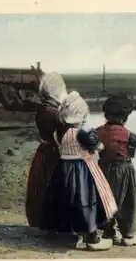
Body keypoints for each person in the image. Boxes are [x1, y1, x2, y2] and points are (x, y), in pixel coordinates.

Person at [39, 91, 118, 251]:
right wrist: (97, 145)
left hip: (63, 168)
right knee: (87, 200)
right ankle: (92, 238)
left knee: (67, 200)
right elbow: (99, 147)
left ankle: (71, 236)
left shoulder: (58, 133)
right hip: (81, 169)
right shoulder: (82, 133)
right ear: (78, 115)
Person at [96, 95, 136, 246]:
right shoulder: (126, 134)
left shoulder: (98, 131)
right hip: (123, 170)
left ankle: (108, 231)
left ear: (106, 115)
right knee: (128, 202)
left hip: (103, 169)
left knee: (105, 200)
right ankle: (128, 235)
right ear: (124, 118)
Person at [25, 72, 68, 228]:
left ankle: (43, 221)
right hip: (55, 151)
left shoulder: (43, 108)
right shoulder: (54, 112)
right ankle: (54, 223)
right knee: (54, 185)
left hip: (45, 149)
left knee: (41, 185)